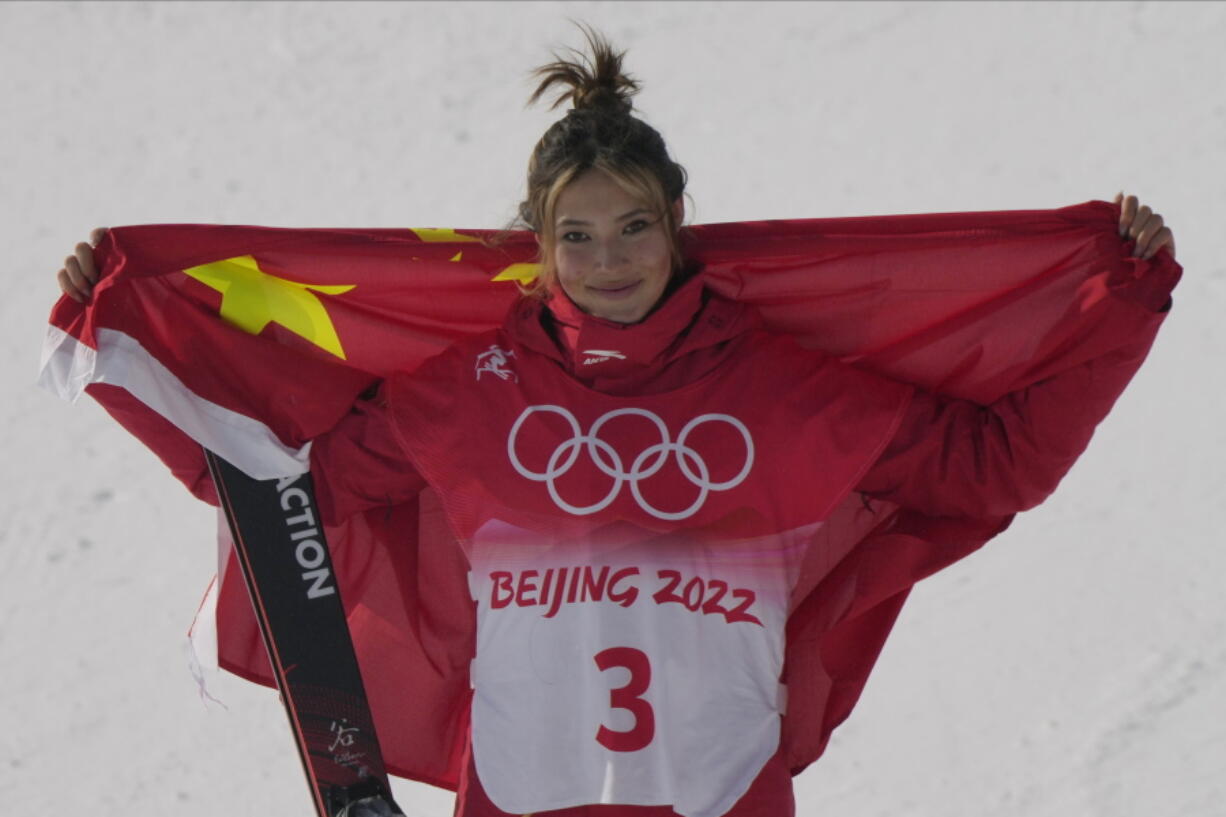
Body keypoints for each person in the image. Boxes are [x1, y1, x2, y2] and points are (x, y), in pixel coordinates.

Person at [55, 26, 1177, 817]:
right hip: (517, 784)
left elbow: (994, 468)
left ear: (677, 223)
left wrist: (1118, 308)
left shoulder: (779, 388)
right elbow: (283, 493)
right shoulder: (465, 390)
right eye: (576, 237)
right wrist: (126, 350)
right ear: (535, 245)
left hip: (720, 785)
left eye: (632, 227)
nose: (608, 263)